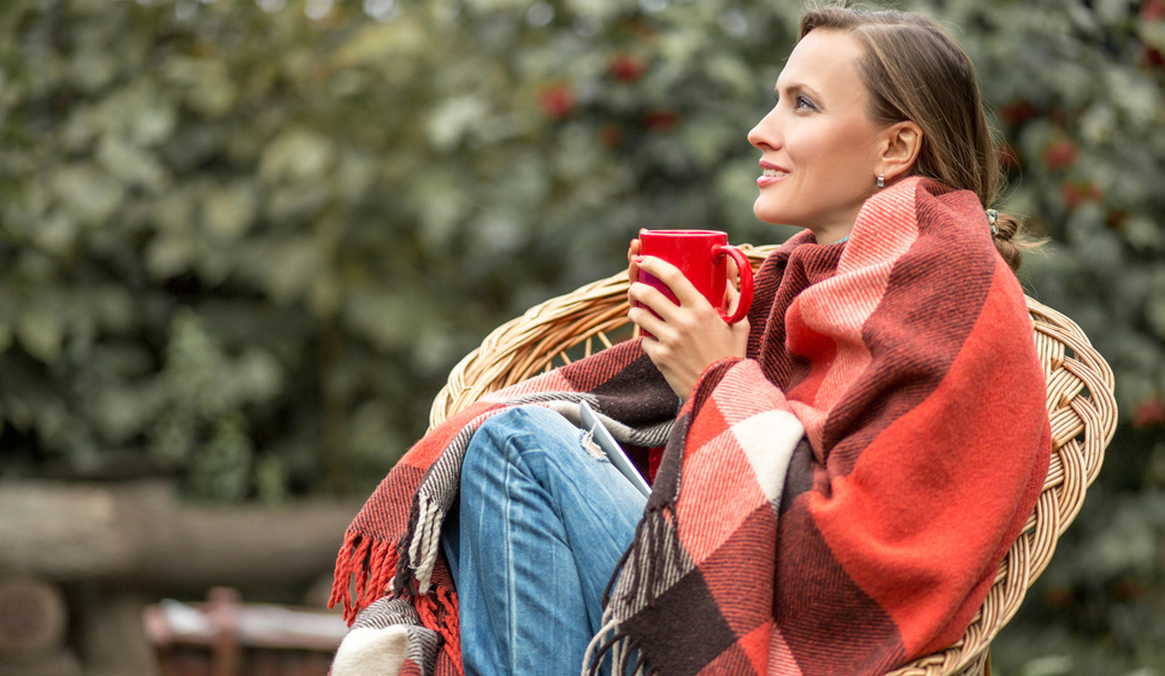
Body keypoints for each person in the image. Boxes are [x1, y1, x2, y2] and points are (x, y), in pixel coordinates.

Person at [326, 4, 1052, 676]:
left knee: (516, 445)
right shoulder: (808, 278)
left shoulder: (943, 277)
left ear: (896, 145)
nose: (761, 130)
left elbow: (849, 563)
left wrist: (715, 376)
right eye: (776, 99)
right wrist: (702, 381)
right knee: (508, 452)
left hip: (790, 628)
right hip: (721, 584)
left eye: (803, 104)